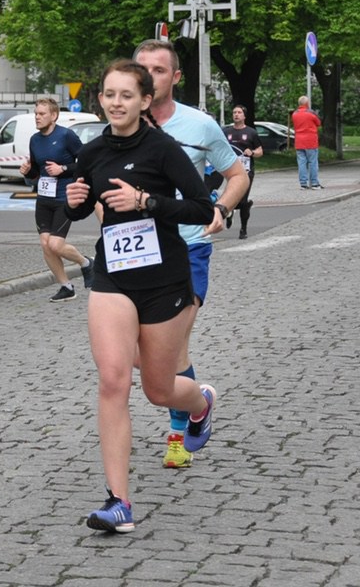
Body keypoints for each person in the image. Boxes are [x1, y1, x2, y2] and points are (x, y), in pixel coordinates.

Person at [64, 59, 216, 533]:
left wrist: (146, 202)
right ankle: (119, 503)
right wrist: (75, 201)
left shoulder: (163, 149)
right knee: (113, 380)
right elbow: (81, 205)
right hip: (114, 276)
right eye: (109, 94)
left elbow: (202, 208)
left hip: (164, 281)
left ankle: (200, 403)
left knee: (158, 389)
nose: (116, 103)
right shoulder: (91, 151)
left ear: (145, 100)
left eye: (126, 95)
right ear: (100, 100)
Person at [134, 39, 249, 470]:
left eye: (159, 70)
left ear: (176, 77)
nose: (149, 77)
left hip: (188, 248)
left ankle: (178, 435)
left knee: (172, 349)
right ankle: (198, 400)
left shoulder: (200, 125)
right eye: (142, 68)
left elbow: (237, 174)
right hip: (137, 253)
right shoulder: (123, 123)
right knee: (137, 353)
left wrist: (222, 208)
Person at [19, 98, 93, 300]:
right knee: (46, 244)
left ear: (53, 116)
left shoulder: (66, 136)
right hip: (44, 198)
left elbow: (86, 163)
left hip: (64, 197)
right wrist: (27, 171)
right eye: (36, 113)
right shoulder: (34, 140)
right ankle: (66, 287)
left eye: (42, 114)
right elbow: (36, 172)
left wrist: (63, 168)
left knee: (56, 245)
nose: (37, 117)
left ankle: (86, 262)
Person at [221, 105, 262, 239]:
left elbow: (260, 151)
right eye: (234, 112)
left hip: (246, 170)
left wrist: (252, 152)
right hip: (231, 170)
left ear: (244, 116)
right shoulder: (226, 132)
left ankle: (243, 229)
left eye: (239, 112)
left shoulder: (251, 132)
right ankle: (231, 211)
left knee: (242, 200)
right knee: (233, 194)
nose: (236, 115)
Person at [291, 95, 323, 191]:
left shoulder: (294, 114)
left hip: (299, 141)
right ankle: (314, 183)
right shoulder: (311, 113)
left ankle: (303, 184)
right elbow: (318, 123)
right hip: (310, 141)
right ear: (307, 103)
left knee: (301, 163)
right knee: (312, 162)